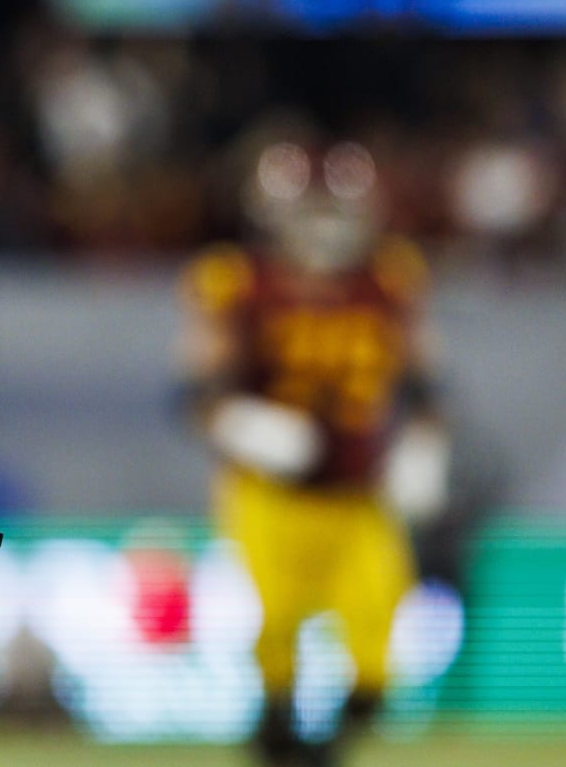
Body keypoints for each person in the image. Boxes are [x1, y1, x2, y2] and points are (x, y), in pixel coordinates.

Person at [178, 139, 449, 767]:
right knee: (272, 632)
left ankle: (327, 746)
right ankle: (277, 739)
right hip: (270, 495)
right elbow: (193, 391)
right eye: (309, 216)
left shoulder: (390, 279)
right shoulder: (236, 282)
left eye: (334, 217)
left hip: (358, 496)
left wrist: (427, 438)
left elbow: (426, 379)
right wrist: (240, 422)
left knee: (378, 655)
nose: (322, 235)